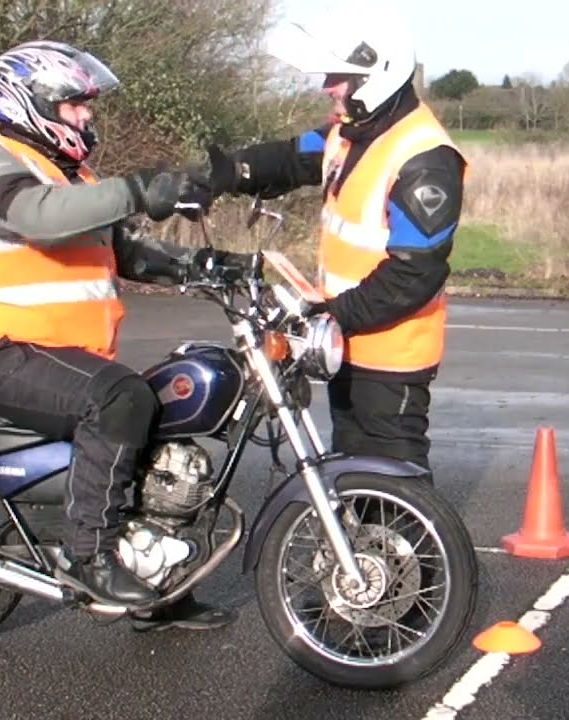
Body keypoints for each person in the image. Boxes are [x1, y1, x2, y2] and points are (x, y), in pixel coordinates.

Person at [0, 40, 248, 630]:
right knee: (121, 398)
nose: (87, 116)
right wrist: (139, 188)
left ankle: (159, 583)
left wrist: (211, 266)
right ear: (30, 103)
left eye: (88, 104)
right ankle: (89, 555)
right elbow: (41, 217)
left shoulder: (73, 173)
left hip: (64, 354)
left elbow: (121, 248)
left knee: (162, 407)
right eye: (75, 104)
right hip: (0, 351)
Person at [187, 10, 467, 474]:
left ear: (375, 76)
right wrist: (227, 172)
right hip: (346, 342)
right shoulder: (353, 132)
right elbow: (291, 159)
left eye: (338, 76)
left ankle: (408, 547)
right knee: (352, 469)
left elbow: (414, 273)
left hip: (389, 351)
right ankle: (360, 547)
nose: (327, 87)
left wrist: (331, 317)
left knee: (393, 479)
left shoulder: (424, 158)